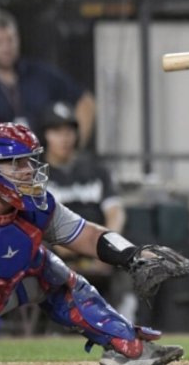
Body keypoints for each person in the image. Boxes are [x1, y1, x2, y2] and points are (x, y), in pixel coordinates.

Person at [0, 122, 189, 365]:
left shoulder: (36, 205)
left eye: (30, 161)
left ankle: (127, 347)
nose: (28, 171)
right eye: (16, 162)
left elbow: (88, 235)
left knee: (52, 273)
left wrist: (133, 255)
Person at [39, 101, 137, 321]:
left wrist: (109, 246)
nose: (64, 138)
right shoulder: (36, 174)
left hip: (95, 243)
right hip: (59, 248)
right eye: (56, 131)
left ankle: (126, 318)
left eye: (69, 131)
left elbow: (115, 212)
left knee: (129, 251)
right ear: (45, 135)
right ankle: (55, 326)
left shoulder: (96, 170)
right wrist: (64, 248)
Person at [0, 12, 96, 147]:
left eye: (11, 39)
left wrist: (75, 148)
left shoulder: (40, 74)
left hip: (45, 165)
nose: (6, 47)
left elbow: (85, 101)